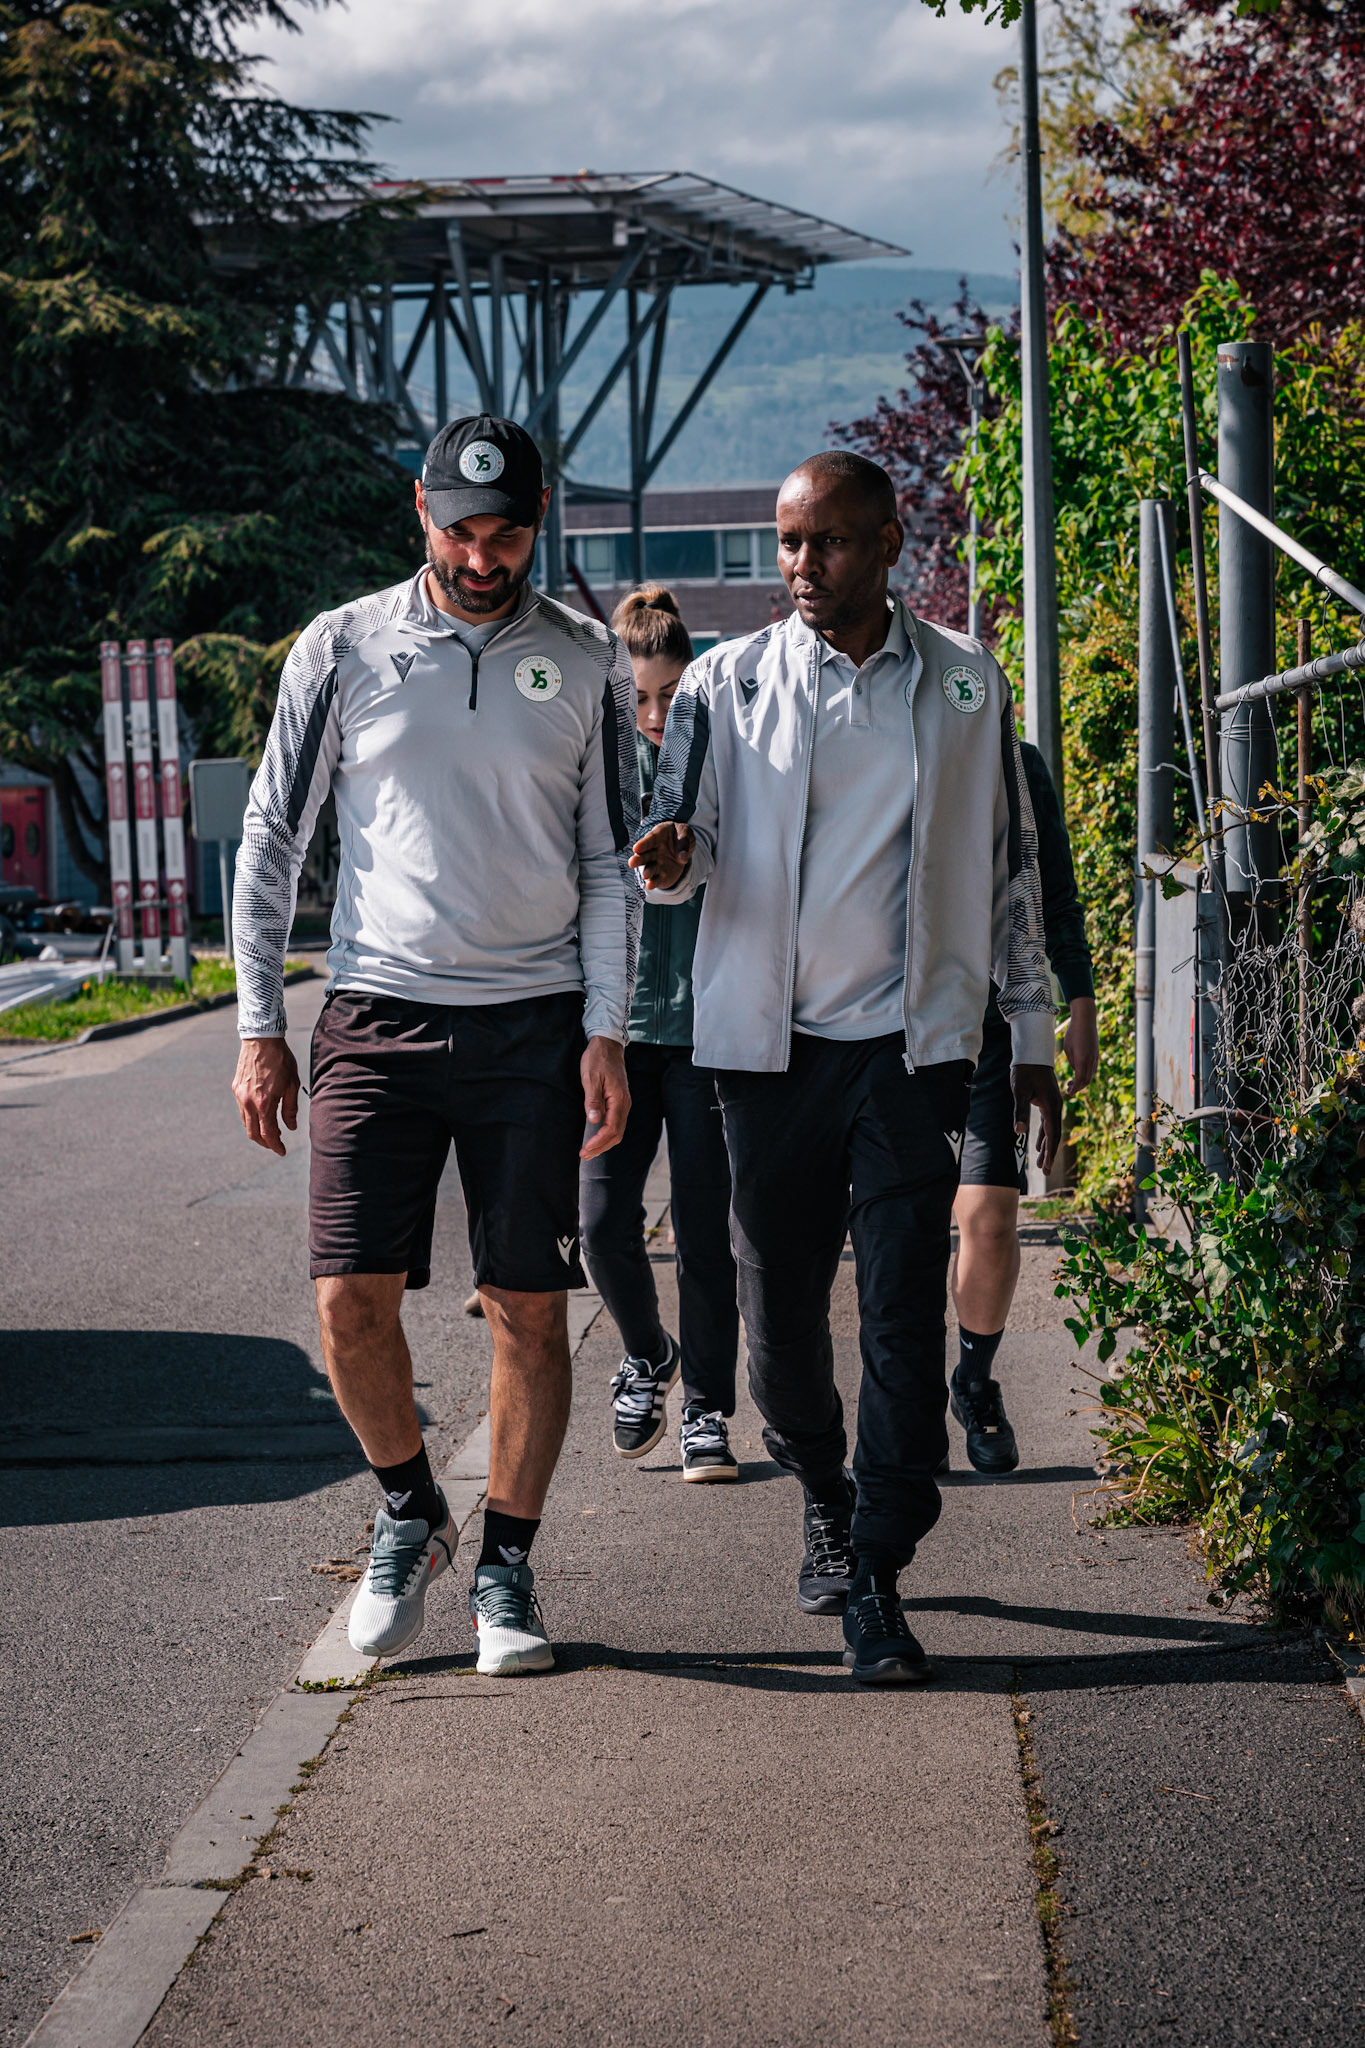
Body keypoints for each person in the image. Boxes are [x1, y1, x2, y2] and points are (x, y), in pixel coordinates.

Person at [631, 449, 1061, 1687]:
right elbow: (686, 838)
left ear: (888, 541)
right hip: (766, 1057)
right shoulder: (724, 682)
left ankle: (875, 1567)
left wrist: (1027, 1038)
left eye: (823, 542)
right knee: (779, 1335)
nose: (800, 567)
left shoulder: (967, 685)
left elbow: (1005, 874)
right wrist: (670, 860)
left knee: (901, 1318)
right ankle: (820, 1483)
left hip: (911, 1051)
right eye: (784, 544)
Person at [230, 414, 640, 1678]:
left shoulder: (582, 661)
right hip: (375, 1013)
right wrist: (260, 1026)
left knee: (528, 1308)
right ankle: (409, 1508)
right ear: (420, 509)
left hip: (529, 1025)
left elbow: (607, 866)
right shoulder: (343, 645)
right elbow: (271, 843)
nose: (481, 555)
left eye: (506, 531)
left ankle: (506, 1565)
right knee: (348, 1303)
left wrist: (606, 1030)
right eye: (460, 530)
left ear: (538, 520)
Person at [580, 586, 741, 1481]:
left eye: (671, 697)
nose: (653, 715)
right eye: (638, 698)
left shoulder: (719, 768)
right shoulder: (595, 774)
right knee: (602, 1225)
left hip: (711, 1034)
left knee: (706, 1237)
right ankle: (646, 1356)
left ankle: (709, 1412)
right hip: (618, 1036)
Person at [950, 742, 1099, 1473]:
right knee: (902, 1227)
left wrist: (1079, 1000)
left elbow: (1052, 891)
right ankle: (904, 1398)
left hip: (994, 1024)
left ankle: (973, 1382)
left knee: (991, 1217)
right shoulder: (864, 745)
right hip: (885, 1031)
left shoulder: (1014, 763)